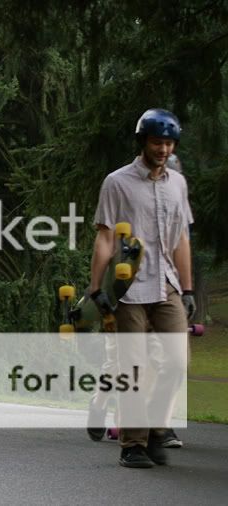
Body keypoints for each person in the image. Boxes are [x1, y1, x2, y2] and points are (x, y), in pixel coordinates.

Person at [89, 108, 193, 468]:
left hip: (168, 283)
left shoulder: (178, 184)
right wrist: (95, 287)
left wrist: (189, 288)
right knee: (132, 367)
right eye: (156, 142)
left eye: (168, 143)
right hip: (128, 286)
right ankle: (133, 444)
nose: (163, 149)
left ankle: (154, 427)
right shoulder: (117, 182)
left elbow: (181, 237)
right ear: (143, 142)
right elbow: (104, 236)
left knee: (177, 362)